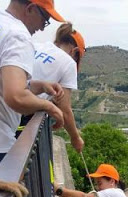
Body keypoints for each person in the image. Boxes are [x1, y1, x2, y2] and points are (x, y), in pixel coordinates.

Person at [0, 0, 65, 172]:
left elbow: (3, 81)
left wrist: (39, 86)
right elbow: (16, 95)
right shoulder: (17, 35)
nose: (42, 28)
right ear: (31, 9)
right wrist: (50, 107)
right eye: (45, 19)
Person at [31, 22, 86, 152]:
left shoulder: (37, 46)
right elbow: (65, 109)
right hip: (23, 120)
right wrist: (75, 138)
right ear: (75, 51)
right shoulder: (69, 63)